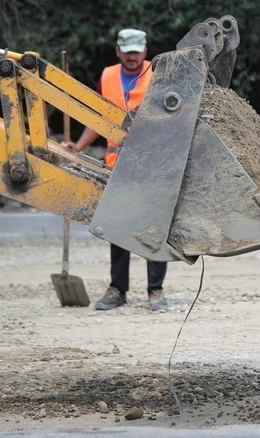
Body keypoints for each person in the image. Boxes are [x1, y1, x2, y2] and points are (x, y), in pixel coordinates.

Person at [63, 28, 168, 312]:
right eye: (127, 51)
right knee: (117, 228)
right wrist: (79, 147)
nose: (132, 57)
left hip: (152, 166)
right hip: (117, 168)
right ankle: (117, 289)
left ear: (145, 51)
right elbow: (99, 118)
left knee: (153, 229)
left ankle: (155, 291)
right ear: (118, 51)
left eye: (137, 51)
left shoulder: (158, 75)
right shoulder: (108, 76)